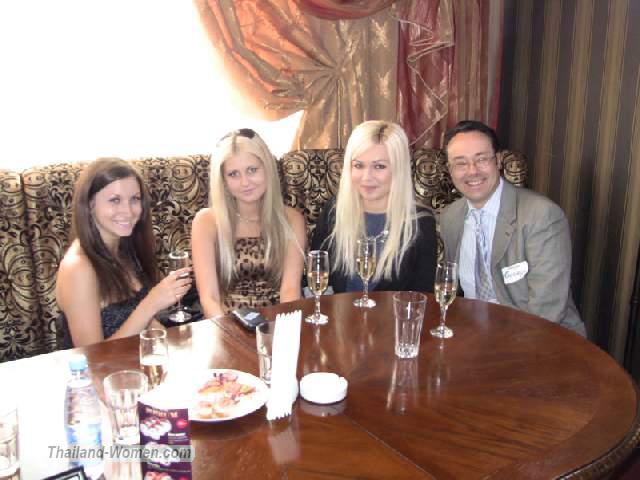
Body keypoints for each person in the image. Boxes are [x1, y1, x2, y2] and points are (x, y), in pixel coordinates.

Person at [439, 120, 586, 336]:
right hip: (475, 335)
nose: (472, 171)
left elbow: (547, 310)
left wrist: (499, 349)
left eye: (481, 159)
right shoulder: (450, 217)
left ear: (498, 160)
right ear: (449, 169)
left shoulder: (541, 216)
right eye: (460, 163)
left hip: (543, 338)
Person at [56, 158, 192, 348]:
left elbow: (147, 324)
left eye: (134, 199)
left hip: (140, 359)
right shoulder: (79, 268)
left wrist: (172, 346)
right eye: (115, 200)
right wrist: (152, 303)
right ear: (90, 204)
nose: (127, 211)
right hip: (102, 367)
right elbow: (92, 356)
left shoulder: (124, 248)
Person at [311, 120, 437, 293]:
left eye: (379, 166)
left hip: (393, 311)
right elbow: (316, 275)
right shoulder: (334, 211)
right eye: (358, 165)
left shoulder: (420, 222)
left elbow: (422, 296)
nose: (366, 177)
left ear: (399, 169)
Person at [191, 128, 306, 318]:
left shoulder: (292, 219)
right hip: (223, 322)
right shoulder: (206, 221)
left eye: (252, 170)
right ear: (223, 180)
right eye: (233, 174)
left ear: (267, 169)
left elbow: (290, 291)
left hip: (278, 320)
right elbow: (209, 298)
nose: (245, 182)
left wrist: (282, 331)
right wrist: (228, 333)